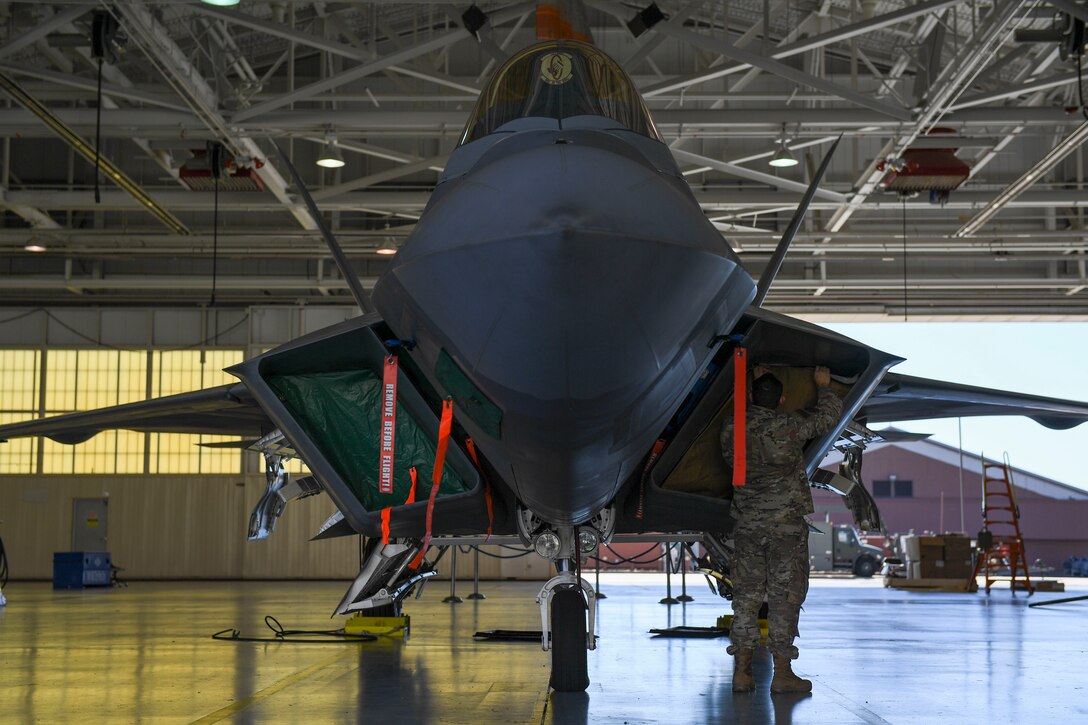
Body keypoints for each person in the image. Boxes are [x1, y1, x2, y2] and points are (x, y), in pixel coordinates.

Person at [720, 365, 842, 694]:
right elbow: (827, 418)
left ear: (750, 397)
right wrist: (823, 387)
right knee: (784, 598)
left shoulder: (733, 427)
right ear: (782, 400)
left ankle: (742, 673)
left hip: (748, 525)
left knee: (745, 599)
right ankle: (783, 674)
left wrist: (756, 381)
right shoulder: (788, 425)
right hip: (785, 527)